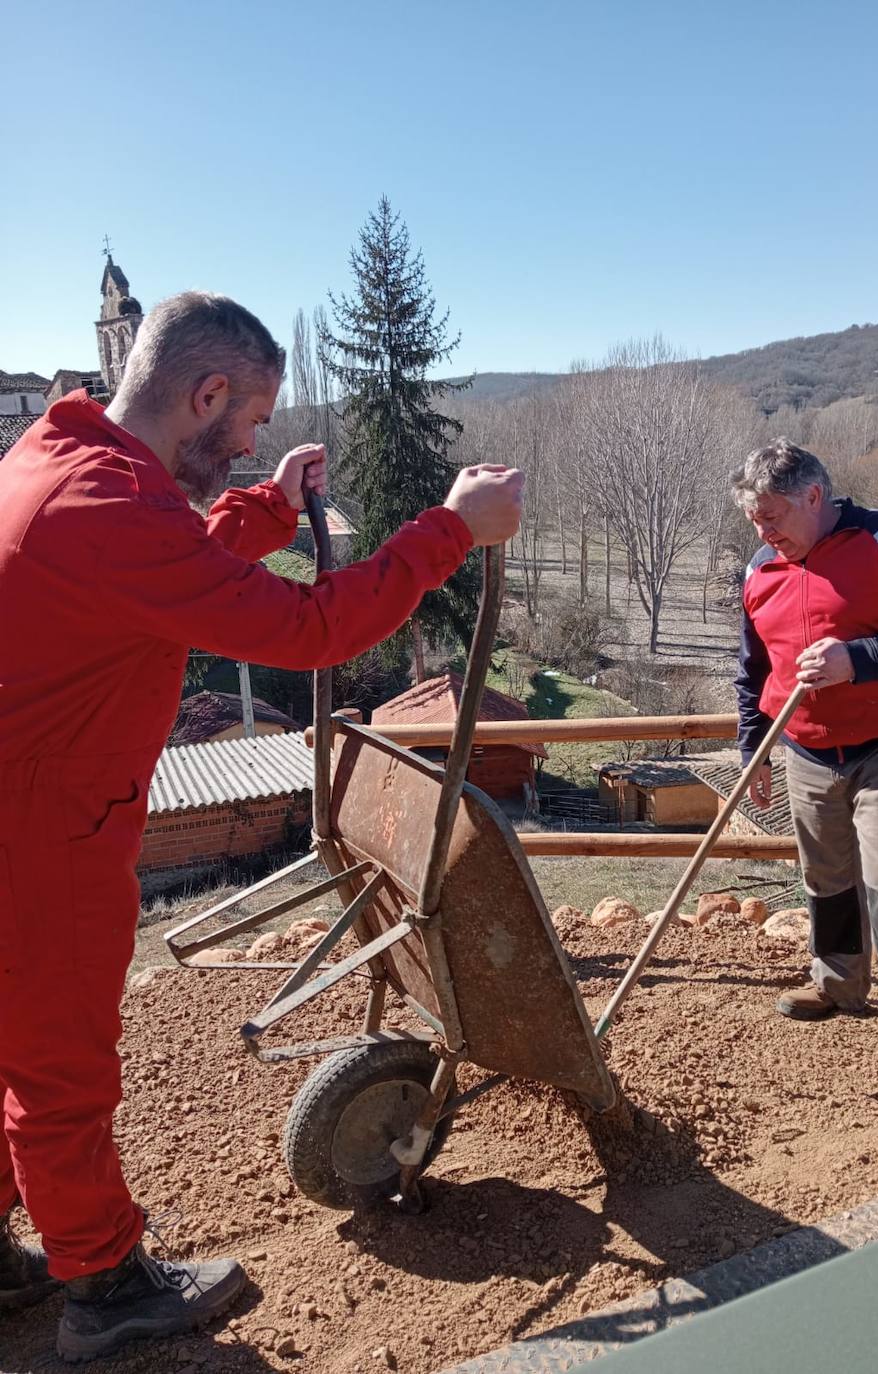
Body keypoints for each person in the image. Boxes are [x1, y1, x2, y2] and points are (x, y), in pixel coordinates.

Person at [0, 292, 523, 1360]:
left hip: (30, 804)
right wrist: (450, 532)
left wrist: (268, 512)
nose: (250, 443)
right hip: (39, 832)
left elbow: (163, 564)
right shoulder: (104, 508)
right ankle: (105, 1286)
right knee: (58, 1064)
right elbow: (313, 630)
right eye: (246, 423)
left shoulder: (59, 460)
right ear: (204, 393)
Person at [731, 439, 878, 1064]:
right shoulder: (760, 570)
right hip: (807, 751)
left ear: (814, 496)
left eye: (772, 516)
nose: (763, 530)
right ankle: (837, 985)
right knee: (825, 874)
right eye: (755, 519)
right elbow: (753, 671)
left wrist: (855, 661)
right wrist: (752, 748)